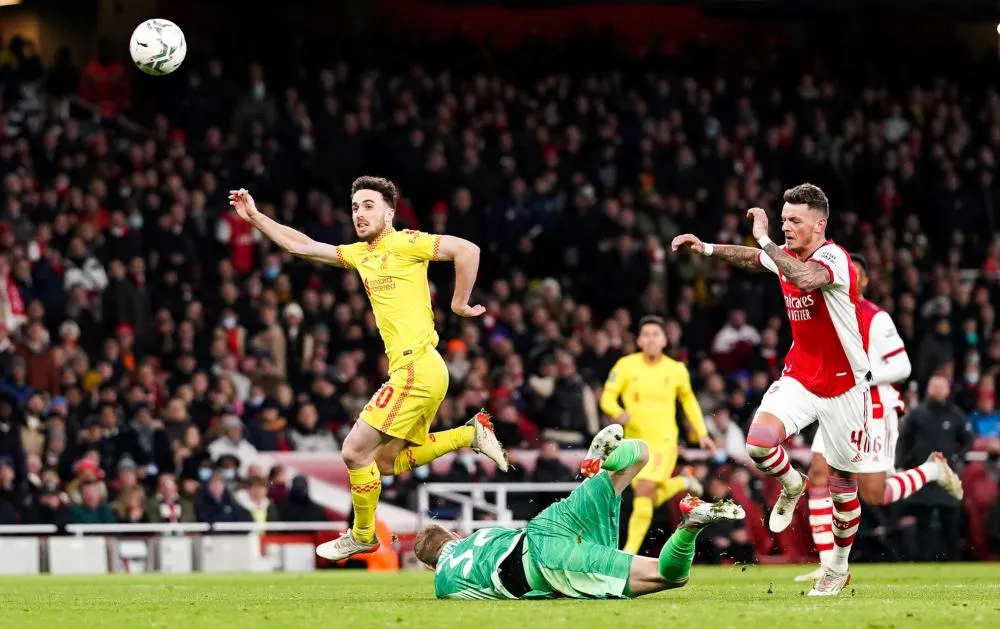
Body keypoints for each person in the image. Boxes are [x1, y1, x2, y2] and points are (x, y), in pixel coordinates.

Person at [228, 179, 508, 560]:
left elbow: (467, 250)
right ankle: (467, 434)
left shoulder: (406, 242)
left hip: (417, 367)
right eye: (355, 206)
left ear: (389, 213)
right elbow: (303, 246)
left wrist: (459, 303)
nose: (359, 212)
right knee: (383, 462)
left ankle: (362, 534)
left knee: (353, 451)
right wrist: (257, 218)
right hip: (422, 370)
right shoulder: (360, 254)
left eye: (369, 206)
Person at [671, 183, 879, 595]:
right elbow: (755, 258)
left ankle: (836, 567)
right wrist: (708, 248)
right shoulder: (787, 255)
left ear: (819, 225)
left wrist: (764, 237)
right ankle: (793, 484)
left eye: (794, 221)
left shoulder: (831, 257)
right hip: (802, 375)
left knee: (841, 485)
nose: (785, 227)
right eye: (783, 220)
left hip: (846, 385)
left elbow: (802, 279)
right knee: (759, 443)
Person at [414, 424, 745, 600]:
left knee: (671, 575)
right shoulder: (479, 536)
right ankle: (606, 459)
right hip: (546, 525)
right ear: (454, 535)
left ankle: (690, 525)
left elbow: (476, 594)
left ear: (430, 567)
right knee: (641, 456)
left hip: (548, 562)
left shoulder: (444, 582)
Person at [795, 255, 963, 582]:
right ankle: (830, 564)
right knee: (818, 474)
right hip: (837, 406)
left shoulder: (876, 317)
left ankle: (931, 470)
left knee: (873, 493)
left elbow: (903, 367)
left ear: (864, 281)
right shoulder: (824, 313)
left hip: (874, 407)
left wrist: (863, 377)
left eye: (853, 275)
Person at [598, 314, 714, 554]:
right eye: (646, 335)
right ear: (639, 341)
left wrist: (702, 433)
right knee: (645, 497)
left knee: (644, 490)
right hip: (635, 442)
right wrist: (616, 412)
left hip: (664, 442)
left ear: (664, 340)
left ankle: (628, 553)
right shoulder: (625, 365)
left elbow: (688, 401)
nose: (651, 339)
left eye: (656, 335)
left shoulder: (676, 369)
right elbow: (607, 397)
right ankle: (683, 481)